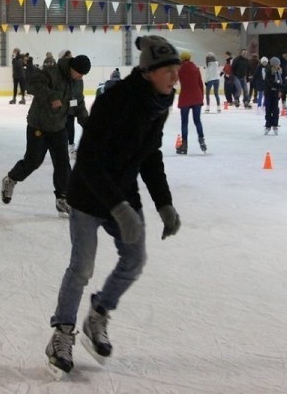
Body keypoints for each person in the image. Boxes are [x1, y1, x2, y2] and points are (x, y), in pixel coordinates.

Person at [43, 35, 182, 379]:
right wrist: (118, 207)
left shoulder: (159, 102)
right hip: (89, 195)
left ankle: (98, 314)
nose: (175, 77)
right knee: (82, 267)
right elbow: (89, 162)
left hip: (123, 192)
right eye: (169, 71)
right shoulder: (115, 101)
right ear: (149, 71)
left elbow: (150, 154)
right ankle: (61, 334)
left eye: (176, 70)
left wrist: (163, 203)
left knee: (135, 259)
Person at [1, 54, 91, 216]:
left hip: (59, 127)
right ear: (72, 67)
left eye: (83, 75)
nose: (80, 77)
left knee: (63, 164)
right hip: (39, 125)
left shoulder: (78, 82)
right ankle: (11, 179)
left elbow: (78, 103)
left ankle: (62, 198)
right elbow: (32, 85)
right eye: (79, 73)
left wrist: (88, 124)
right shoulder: (52, 72)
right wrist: (51, 96)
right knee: (33, 161)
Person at [176, 49, 206, 154]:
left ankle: (184, 145)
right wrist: (201, 97)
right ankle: (202, 141)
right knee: (197, 121)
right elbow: (200, 84)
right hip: (197, 97)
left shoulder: (179, 69)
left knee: (184, 123)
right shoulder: (196, 69)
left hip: (185, 98)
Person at [263, 57, 284, 134]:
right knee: (268, 109)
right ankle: (268, 125)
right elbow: (270, 83)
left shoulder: (279, 72)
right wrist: (280, 87)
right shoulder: (268, 72)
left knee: (275, 110)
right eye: (277, 64)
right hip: (269, 93)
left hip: (275, 94)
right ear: (274, 64)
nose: (279, 65)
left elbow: (281, 82)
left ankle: (275, 125)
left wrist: (280, 90)